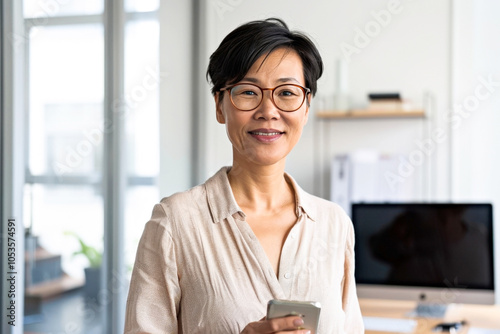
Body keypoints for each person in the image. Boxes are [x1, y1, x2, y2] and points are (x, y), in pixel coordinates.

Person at [124, 18, 364, 334]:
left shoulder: (334, 224)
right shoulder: (174, 223)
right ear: (220, 106)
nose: (268, 110)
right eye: (248, 92)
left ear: (306, 108)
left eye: (287, 93)